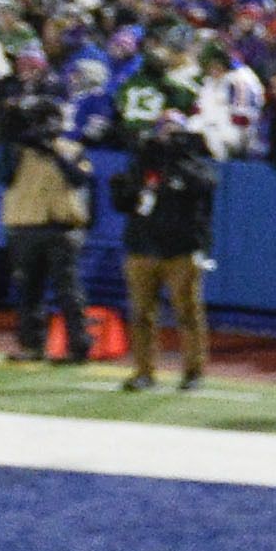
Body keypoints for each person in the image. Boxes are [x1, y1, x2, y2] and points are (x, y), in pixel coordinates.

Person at [113, 131, 214, 393]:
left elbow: (206, 185)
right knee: (141, 314)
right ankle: (143, 371)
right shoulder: (142, 165)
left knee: (188, 314)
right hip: (142, 249)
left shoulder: (192, 167)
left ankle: (193, 372)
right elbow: (125, 202)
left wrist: (178, 160)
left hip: (180, 251)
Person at [0, 112, 97, 364]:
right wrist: (12, 144)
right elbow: (1, 175)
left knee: (69, 290)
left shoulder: (72, 149)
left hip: (62, 228)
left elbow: (79, 179)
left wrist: (54, 153)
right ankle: (31, 345)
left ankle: (78, 347)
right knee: (28, 291)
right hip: (25, 226)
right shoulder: (18, 152)